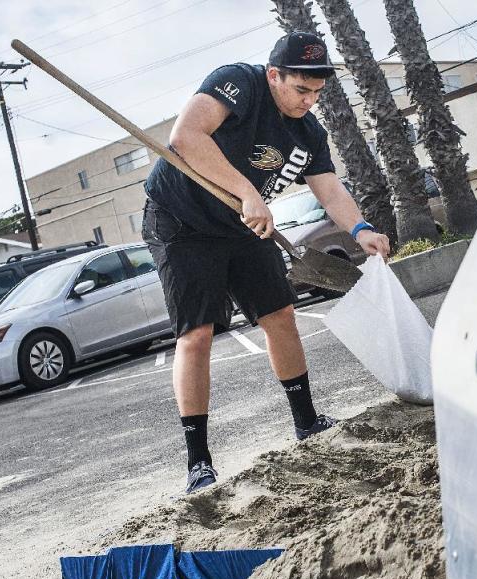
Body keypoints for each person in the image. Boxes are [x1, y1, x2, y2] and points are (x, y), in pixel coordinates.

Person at [142, 32, 390, 494]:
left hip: (243, 225)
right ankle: (199, 462)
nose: (309, 101)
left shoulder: (308, 132)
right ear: (274, 75)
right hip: (182, 223)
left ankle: (307, 422)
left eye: (317, 93)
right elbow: (185, 137)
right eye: (301, 90)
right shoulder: (238, 83)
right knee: (197, 334)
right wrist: (248, 192)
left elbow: (330, 189)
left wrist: (361, 230)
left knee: (280, 315)